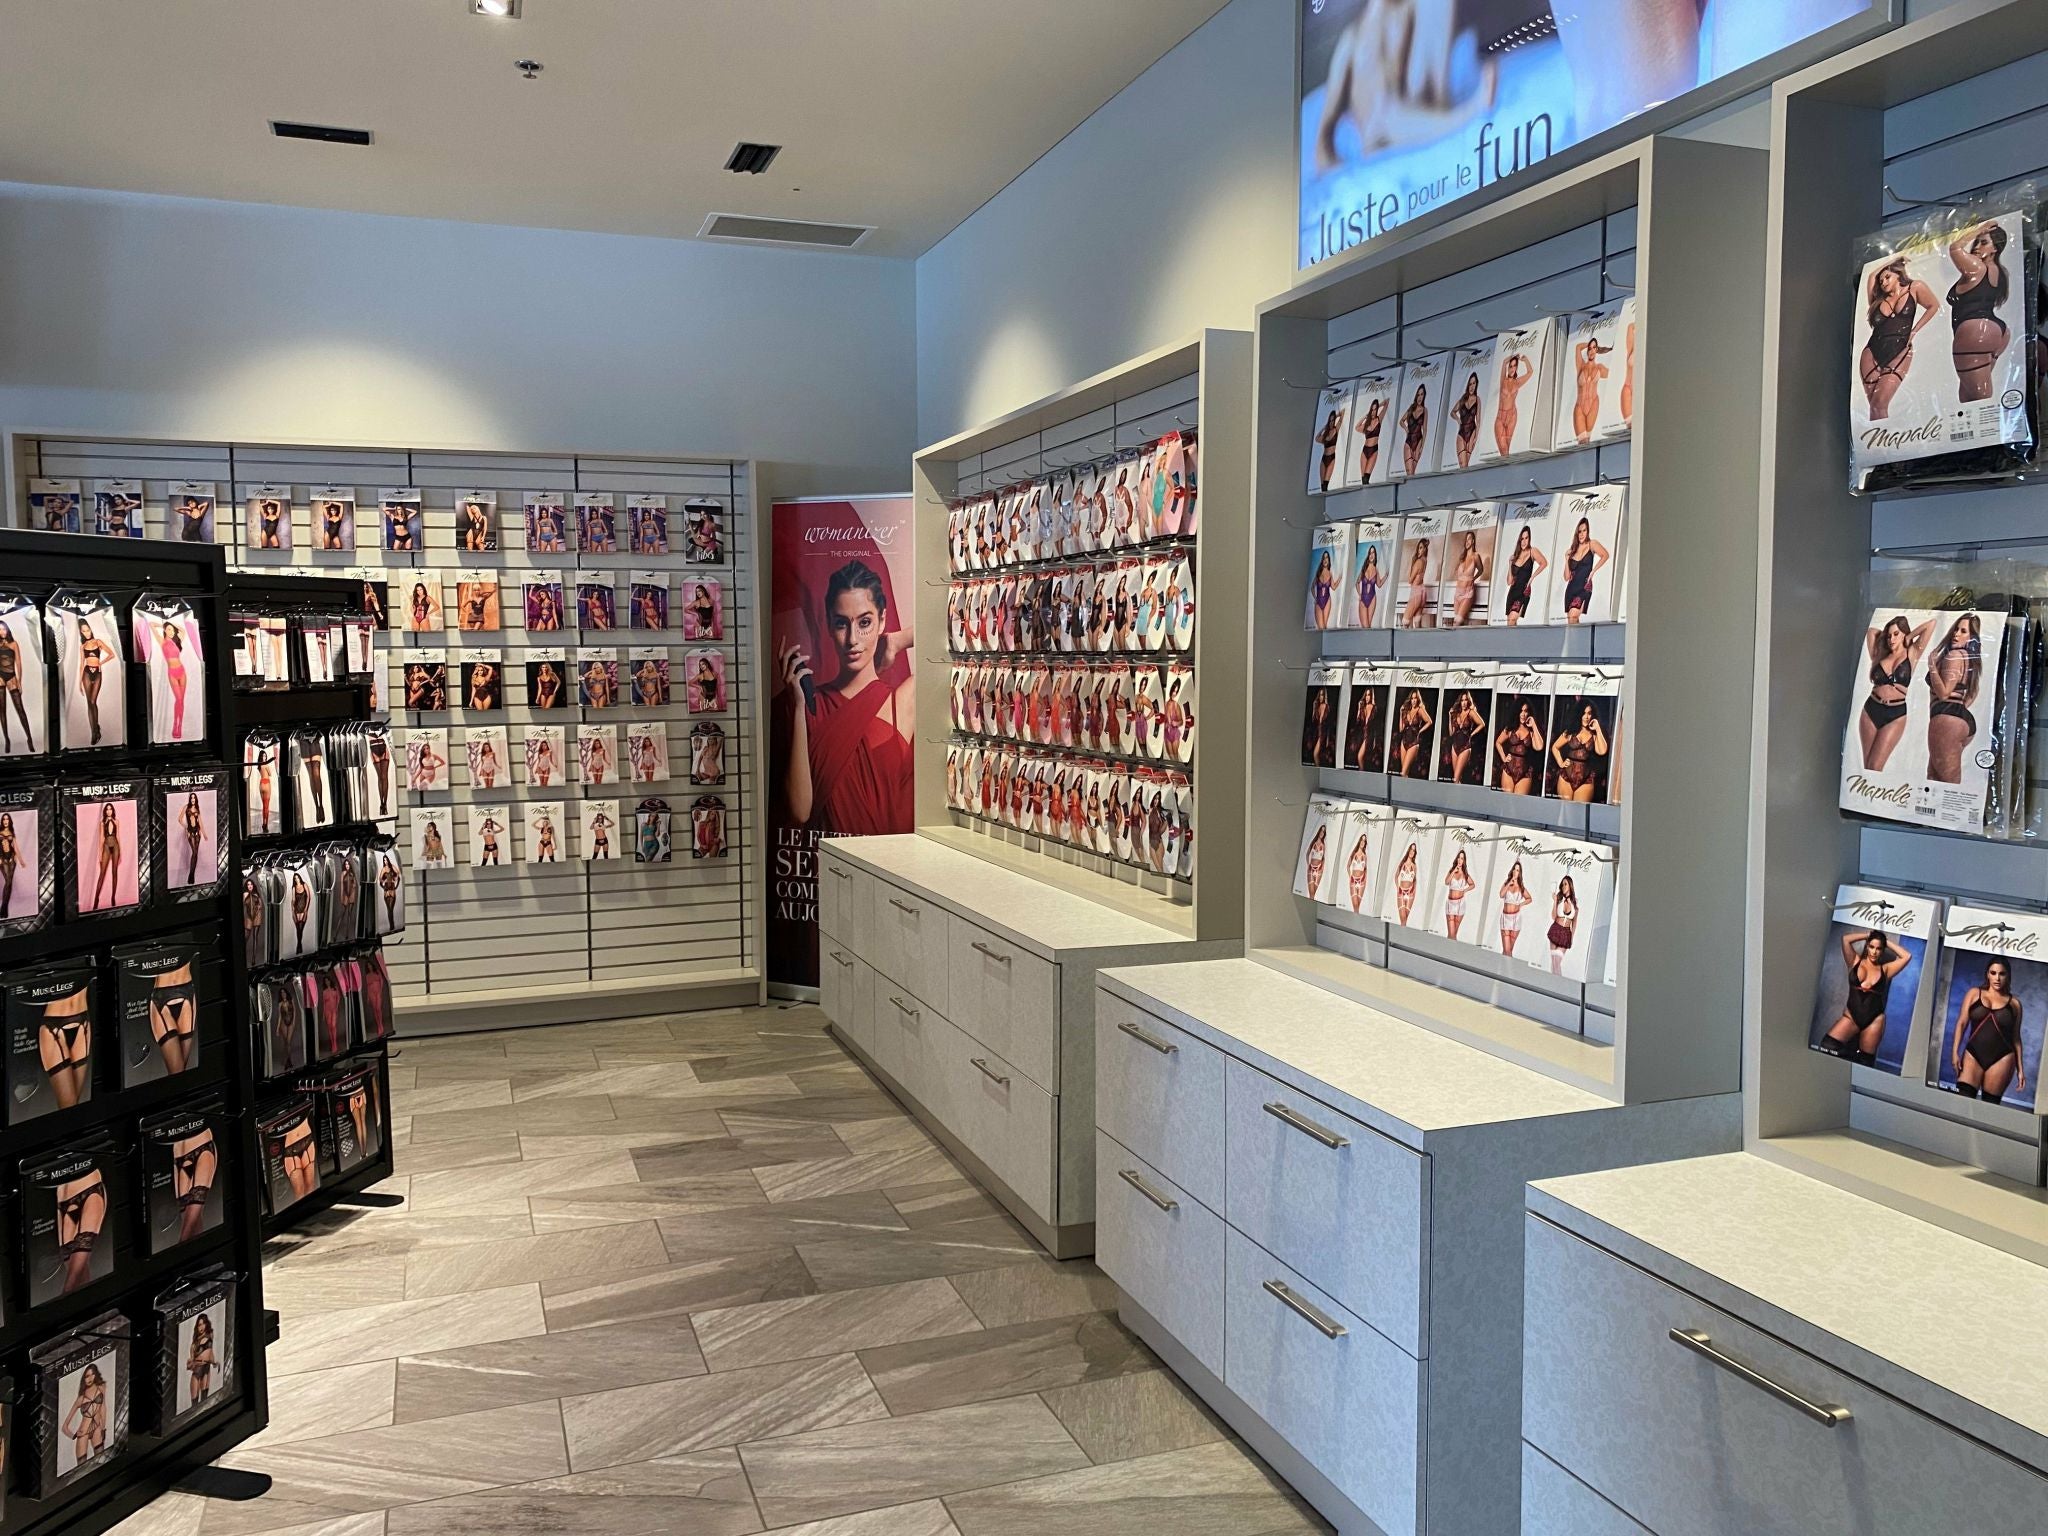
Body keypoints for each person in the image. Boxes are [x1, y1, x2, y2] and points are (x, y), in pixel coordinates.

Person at [779, 561, 915, 835]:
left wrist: (897, 641)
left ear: (882, 620)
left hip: (887, 857)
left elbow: (950, 626)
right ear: (829, 625)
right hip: (826, 858)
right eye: (842, 623)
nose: (853, 639)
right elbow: (800, 812)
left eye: (865, 622)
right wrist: (798, 707)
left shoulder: (901, 701)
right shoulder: (809, 704)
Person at [1312, 0, 1497, 171]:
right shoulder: (1354, 37)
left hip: (1416, 102)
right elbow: (1325, 135)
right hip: (1380, 128)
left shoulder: (1411, 9)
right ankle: (1467, 114)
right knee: (1388, 116)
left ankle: (1438, 113)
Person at [1858, 257, 1942, 420]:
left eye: (1887, 277)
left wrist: (1914, 331)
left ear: (1898, 274)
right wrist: (1893, 260)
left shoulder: (1914, 287)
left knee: (1879, 403)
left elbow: (1933, 306)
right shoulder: (1877, 300)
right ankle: (1880, 435)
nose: (1883, 282)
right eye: (1881, 281)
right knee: (1875, 407)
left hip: (1901, 349)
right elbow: (1871, 276)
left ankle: (1885, 435)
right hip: (1871, 352)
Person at [1819, 930, 1912, 1066]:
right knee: (1827, 1046)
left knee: (1865, 1062)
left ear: (1882, 950)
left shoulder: (1885, 970)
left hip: (1873, 1021)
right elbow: (1845, 939)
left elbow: (1907, 956)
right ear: (1867, 946)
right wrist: (1868, 935)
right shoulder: (1855, 961)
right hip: (1851, 1017)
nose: (1874, 952)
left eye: (1879, 948)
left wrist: (1884, 941)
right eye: (1872, 947)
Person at [1859, 614, 1933, 772]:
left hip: (1895, 714)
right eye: (1889, 636)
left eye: (1896, 634)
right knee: (1867, 766)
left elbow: (1931, 624)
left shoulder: (1912, 653)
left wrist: (1909, 637)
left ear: (1904, 634)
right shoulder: (1880, 655)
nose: (1891, 639)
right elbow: (1871, 631)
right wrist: (1885, 637)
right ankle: (1865, 789)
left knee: (1875, 766)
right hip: (1871, 709)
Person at [1948, 221, 2011, 404]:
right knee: (1968, 396)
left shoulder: (1977, 267)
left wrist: (1977, 230)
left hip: (1975, 333)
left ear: (1995, 248)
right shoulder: (1999, 271)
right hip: (1997, 332)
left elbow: (1954, 248)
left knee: (1979, 397)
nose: (1976, 247)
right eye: (1976, 242)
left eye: (1983, 242)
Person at [1950, 958, 2027, 1103]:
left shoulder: (2015, 1004)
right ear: (1987, 974)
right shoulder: (1974, 993)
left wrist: (2020, 1070)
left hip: (2002, 1058)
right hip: (1973, 1054)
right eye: (1993, 973)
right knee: (1961, 1103)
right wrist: (1955, 1052)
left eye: (2002, 974)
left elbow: (2016, 1038)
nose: (1997, 978)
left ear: (2008, 976)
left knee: (1989, 1108)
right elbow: (1961, 1023)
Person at [1925, 613, 1981, 784]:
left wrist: (1932, 666)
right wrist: (1959, 710)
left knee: (1947, 783)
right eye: (1956, 629)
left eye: (1963, 631)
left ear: (1971, 638)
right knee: (1934, 778)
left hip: (1946, 719)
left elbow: (1944, 694)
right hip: (1957, 719)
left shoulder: (1955, 655)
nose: (1956, 634)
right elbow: (1973, 691)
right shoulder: (1968, 658)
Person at [1552, 703, 1610, 803]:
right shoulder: (1570, 732)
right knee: (1565, 809)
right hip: (1566, 778)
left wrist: (1597, 728)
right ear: (1579, 714)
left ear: (1592, 715)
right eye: (1584, 713)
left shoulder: (1594, 735)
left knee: (1580, 811)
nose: (1586, 717)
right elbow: (1555, 747)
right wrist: (1561, 763)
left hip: (1585, 781)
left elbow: (1602, 751)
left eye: (1589, 713)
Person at [1559, 517, 1612, 624]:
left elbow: (1605, 555)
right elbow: (1566, 577)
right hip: (1571, 589)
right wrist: (1566, 559)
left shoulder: (1592, 544)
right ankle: (1579, 636)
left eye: (1584, 531)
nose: (1582, 534)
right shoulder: (1573, 550)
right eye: (1579, 531)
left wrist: (1593, 571)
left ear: (1588, 531)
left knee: (1573, 616)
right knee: (1571, 620)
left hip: (1584, 587)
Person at [1495, 700, 1545, 795]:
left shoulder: (1531, 732)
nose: (1523, 714)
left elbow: (1539, 747)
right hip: (1508, 771)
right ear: (1516, 712)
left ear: (1529, 713)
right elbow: (1498, 742)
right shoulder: (1510, 729)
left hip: (1525, 774)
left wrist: (1534, 725)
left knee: (1519, 802)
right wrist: (1504, 758)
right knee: (1506, 800)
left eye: (1525, 711)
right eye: (1521, 711)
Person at [1501, 524, 1547, 626]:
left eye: (1526, 538)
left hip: (1523, 592)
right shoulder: (1516, 556)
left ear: (1529, 539)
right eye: (1522, 539)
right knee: (1510, 623)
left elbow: (1544, 563)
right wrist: (1510, 564)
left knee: (1512, 620)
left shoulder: (1532, 551)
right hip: (1512, 592)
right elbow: (1509, 582)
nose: (1524, 541)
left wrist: (1532, 578)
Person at [0, 619, 36, 751]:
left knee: (20, 709)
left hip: (12, 676)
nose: (2, 631)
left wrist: (19, 681)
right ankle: (7, 740)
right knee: (2, 710)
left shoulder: (14, 644)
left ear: (7, 629)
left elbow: (19, 663)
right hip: (0, 677)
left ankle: (29, 739)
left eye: (4, 628)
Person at [63, 1362, 108, 1467]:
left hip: (97, 1428)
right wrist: (73, 1436)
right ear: (83, 1378)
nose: (90, 1378)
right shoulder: (81, 1399)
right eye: (87, 1376)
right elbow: (64, 1426)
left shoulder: (101, 1387)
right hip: (83, 1433)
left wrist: (103, 1428)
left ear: (95, 1375)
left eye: (92, 1374)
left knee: (101, 1463)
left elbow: (103, 1408)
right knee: (82, 1469)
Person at [1571, 333, 1614, 443]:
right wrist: (1593, 345)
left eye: (1594, 348)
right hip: (1579, 407)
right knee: (1582, 442)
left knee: (1588, 441)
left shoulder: (1600, 368)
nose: (1591, 350)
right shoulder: (1581, 366)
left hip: (1593, 404)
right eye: (1589, 348)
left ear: (1597, 350)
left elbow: (1615, 372)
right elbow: (1578, 347)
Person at [1442, 690, 1487, 784]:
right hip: (1454, 747)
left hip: (1465, 747)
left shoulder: (1471, 712)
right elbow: (1451, 733)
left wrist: (1472, 734)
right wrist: (1450, 717)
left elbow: (1482, 724)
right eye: (1462, 700)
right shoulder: (1457, 714)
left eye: (1466, 700)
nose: (1464, 702)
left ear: (1468, 701)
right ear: (1460, 702)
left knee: (1455, 778)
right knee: (1457, 779)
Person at [77, 618, 110, 745]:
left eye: (88, 630)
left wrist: (101, 662)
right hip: (86, 673)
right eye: (84, 631)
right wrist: (79, 682)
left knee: (93, 701)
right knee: (89, 703)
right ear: (81, 633)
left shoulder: (98, 642)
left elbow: (111, 654)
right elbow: (81, 664)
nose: (87, 633)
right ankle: (94, 732)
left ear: (91, 629)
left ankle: (96, 729)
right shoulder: (83, 646)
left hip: (97, 673)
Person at [1494, 352, 1531, 459]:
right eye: (1510, 366)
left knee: (1507, 450)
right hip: (1500, 418)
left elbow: (1530, 372)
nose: (1512, 368)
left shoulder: (1517, 382)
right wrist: (1513, 356)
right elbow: (1504, 362)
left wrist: (1525, 360)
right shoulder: (1503, 380)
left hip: (1512, 416)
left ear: (1516, 368)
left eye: (1514, 366)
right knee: (1503, 450)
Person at [1446, 531, 1485, 627]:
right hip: (1457, 593)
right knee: (1459, 623)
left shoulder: (1476, 556)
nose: (1467, 541)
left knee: (1457, 622)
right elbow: (1457, 572)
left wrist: (1473, 578)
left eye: (1469, 539)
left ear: (1473, 541)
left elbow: (1481, 570)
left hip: (1467, 593)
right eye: (1466, 539)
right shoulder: (1462, 557)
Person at [1394, 688, 1433, 778]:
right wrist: (1400, 713)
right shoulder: (1407, 710)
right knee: (1404, 773)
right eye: (1412, 698)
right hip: (1404, 742)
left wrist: (1420, 731)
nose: (1414, 700)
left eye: (1415, 698)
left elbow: (1429, 722)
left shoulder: (1420, 710)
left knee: (1403, 772)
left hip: (1414, 743)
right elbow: (1401, 729)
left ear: (1418, 699)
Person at [90, 801, 121, 911]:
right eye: (107, 809)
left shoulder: (117, 821)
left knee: (114, 872)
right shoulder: (102, 823)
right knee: (102, 874)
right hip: (107, 846)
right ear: (105, 811)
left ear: (113, 810)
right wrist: (99, 853)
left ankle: (113, 897)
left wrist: (120, 851)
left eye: (110, 809)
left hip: (116, 846)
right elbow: (101, 839)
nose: (109, 811)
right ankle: (96, 899)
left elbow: (118, 836)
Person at [1497, 861, 1532, 957]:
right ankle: (1505, 965)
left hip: (1516, 919)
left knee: (1509, 951)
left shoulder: (1521, 887)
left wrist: (1521, 904)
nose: (1516, 872)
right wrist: (1509, 883)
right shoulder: (1506, 883)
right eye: (1515, 869)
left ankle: (1504, 966)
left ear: (1519, 873)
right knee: (1507, 950)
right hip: (1505, 918)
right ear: (1512, 871)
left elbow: (1529, 899)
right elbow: (1501, 895)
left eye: (1518, 870)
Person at [1441, 849, 1476, 940]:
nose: (1460, 860)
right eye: (1459, 858)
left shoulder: (1465, 874)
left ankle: (1450, 949)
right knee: (1451, 933)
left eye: (1462, 858)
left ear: (1464, 861)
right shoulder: (1451, 871)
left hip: (1460, 904)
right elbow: (1446, 882)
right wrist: (1454, 871)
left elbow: (1473, 885)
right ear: (1457, 859)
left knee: (1453, 934)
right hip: (1450, 904)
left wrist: (1465, 890)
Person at [1548, 876, 1579, 976]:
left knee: (1556, 962)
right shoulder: (1559, 899)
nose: (1563, 886)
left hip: (1566, 934)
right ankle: (1555, 983)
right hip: (1555, 930)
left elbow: (1574, 922)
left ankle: (1558, 983)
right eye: (1562, 885)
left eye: (1565, 884)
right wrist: (1555, 901)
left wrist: (1571, 937)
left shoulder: (1575, 902)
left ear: (1570, 885)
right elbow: (1553, 917)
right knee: (1554, 963)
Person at [1451, 373, 1482, 469]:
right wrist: (1458, 420)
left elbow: (1478, 420)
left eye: (1474, 383)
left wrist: (1476, 437)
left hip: (1472, 432)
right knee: (1463, 465)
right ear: (1468, 385)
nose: (1472, 386)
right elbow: (1452, 412)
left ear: (1476, 384)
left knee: (1466, 465)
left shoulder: (1477, 399)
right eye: (1470, 384)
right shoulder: (1463, 399)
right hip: (1462, 433)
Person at [1400, 384, 1431, 476]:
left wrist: (1422, 446)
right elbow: (1401, 421)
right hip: (1408, 442)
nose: (1419, 397)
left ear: (1424, 396)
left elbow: (1425, 429)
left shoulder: (1425, 410)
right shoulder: (1411, 408)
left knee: (1413, 473)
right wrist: (1406, 429)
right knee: (1409, 473)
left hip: (1418, 442)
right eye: (1418, 395)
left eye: (1421, 394)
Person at [1401, 538, 1432, 627]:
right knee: (1417, 623)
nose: (1419, 550)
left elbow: (1410, 580)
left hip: (1416, 593)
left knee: (1405, 622)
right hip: (1423, 592)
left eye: (1421, 548)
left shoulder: (1418, 562)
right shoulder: (1425, 560)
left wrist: (1412, 563)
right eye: (1418, 548)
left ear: (1425, 549)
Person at [1314, 407, 1344, 492]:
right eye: (1330, 421)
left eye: (1332, 420)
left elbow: (1343, 413)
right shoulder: (1325, 435)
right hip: (1324, 459)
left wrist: (1336, 416)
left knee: (1325, 485)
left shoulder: (1336, 429)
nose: (1331, 423)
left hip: (1331, 458)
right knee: (1322, 486)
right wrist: (1324, 428)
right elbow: (1316, 439)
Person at [1391, 842, 1420, 926]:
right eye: (1411, 849)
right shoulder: (1402, 863)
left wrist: (1414, 891)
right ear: (1408, 850)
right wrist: (1398, 888)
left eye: (1413, 850)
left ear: (1415, 853)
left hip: (1410, 893)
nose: (1412, 852)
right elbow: (1396, 876)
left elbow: (1415, 880)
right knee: (1402, 917)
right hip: (1401, 892)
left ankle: (1401, 933)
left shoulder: (1414, 866)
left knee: (1405, 919)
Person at [1355, 542, 1383, 627]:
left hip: (1372, 598)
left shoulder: (1376, 570)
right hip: (1363, 599)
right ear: (1368, 555)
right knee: (1365, 626)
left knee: (1368, 626)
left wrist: (1386, 575)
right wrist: (1359, 594)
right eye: (1370, 553)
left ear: (1375, 555)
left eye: (1373, 552)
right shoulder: (1364, 568)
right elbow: (1357, 583)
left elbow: (1379, 584)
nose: (1371, 555)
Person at [1309, 549, 1338, 629]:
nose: (1325, 560)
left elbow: (1333, 587)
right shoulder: (1318, 573)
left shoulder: (1330, 573)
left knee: (1324, 626)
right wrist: (1315, 598)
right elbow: (1312, 587)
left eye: (1327, 557)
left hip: (1327, 600)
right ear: (1322, 560)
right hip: (1318, 601)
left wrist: (1340, 578)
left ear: (1329, 560)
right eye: (1324, 558)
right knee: (1321, 627)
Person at [181, 792, 205, 885]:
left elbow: (200, 822)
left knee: (195, 853)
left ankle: (192, 876)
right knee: (194, 852)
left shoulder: (197, 808)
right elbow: (179, 819)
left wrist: (204, 833)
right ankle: (191, 875)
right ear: (190, 799)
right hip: (190, 832)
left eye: (194, 798)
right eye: (191, 798)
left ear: (196, 799)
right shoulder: (186, 807)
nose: (193, 799)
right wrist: (186, 827)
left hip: (197, 832)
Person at [1300, 823, 1329, 902]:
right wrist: (1308, 864)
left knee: (1313, 894)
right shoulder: (1313, 842)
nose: (1322, 833)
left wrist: (1322, 868)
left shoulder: (1323, 845)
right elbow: (1307, 854)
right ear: (1319, 831)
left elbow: (1323, 858)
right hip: (1311, 868)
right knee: (1311, 893)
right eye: (1321, 831)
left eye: (1323, 832)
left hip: (1319, 870)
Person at [0, 810, 21, 917]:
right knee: (8, 882)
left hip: (12, 859)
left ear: (9, 821)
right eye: (4, 819)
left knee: (9, 883)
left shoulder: (12, 832)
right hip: (2, 859)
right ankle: (3, 908)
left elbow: (16, 847)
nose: (5, 821)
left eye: (7, 819)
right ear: (2, 821)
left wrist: (20, 860)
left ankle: (4, 909)